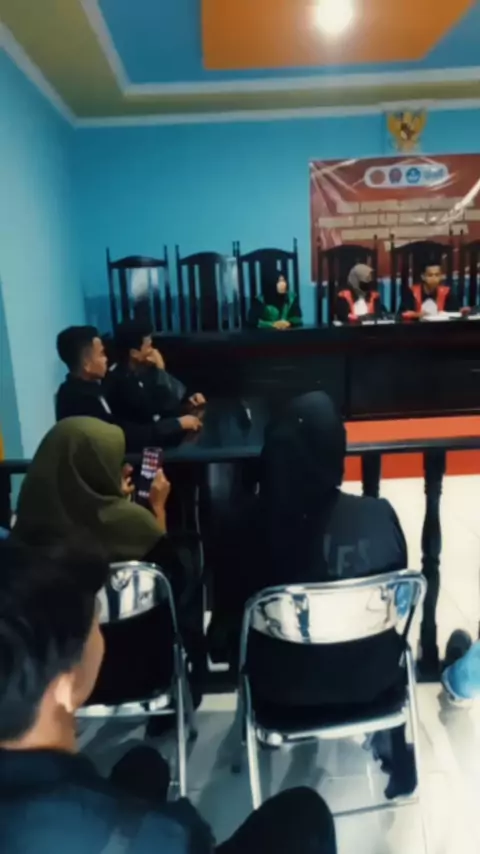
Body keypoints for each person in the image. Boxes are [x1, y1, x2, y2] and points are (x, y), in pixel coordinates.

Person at [0, 538, 338, 854]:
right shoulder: (163, 834)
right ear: (65, 685)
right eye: (95, 624)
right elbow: (182, 836)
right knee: (304, 816)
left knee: (144, 765)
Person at [211, 391, 414, 798]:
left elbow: (220, 641)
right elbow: (396, 605)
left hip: (279, 693)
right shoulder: (379, 515)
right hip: (373, 684)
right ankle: (394, 745)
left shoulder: (240, 526)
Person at [13, 417, 206, 703]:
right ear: (93, 470)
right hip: (142, 675)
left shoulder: (24, 536)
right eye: (113, 462)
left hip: (59, 681)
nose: (127, 467)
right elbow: (172, 587)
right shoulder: (134, 526)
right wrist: (157, 511)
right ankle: (192, 687)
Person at [56, 325, 197, 451]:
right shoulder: (82, 400)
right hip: (126, 459)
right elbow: (125, 436)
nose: (106, 359)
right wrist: (176, 424)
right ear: (86, 363)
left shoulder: (89, 389)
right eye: (101, 354)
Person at [106, 320, 205, 434]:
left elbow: (176, 396)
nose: (154, 351)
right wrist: (160, 370)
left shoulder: (145, 369)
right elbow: (163, 410)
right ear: (134, 353)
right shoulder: (120, 383)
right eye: (149, 346)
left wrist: (190, 399)